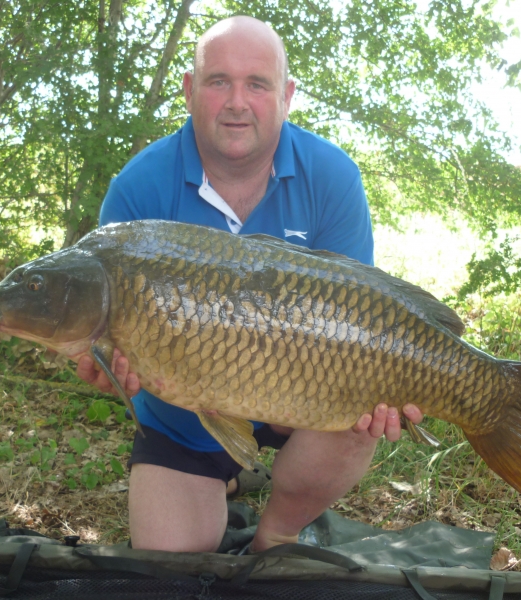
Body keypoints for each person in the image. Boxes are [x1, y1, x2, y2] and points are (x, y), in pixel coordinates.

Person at [77, 15, 424, 554]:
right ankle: (230, 472)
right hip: (183, 422)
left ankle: (278, 530)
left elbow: (366, 315)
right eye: (218, 81)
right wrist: (109, 367)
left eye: (256, 84)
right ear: (191, 90)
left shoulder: (332, 177)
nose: (237, 102)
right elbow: (105, 346)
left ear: (285, 96)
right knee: (172, 563)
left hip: (306, 408)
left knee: (362, 413)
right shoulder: (138, 191)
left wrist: (394, 382)